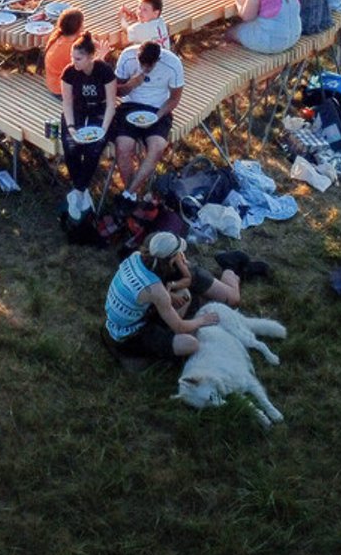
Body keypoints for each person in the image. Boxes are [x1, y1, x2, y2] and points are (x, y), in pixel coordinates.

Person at [104, 231, 239, 364]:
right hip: (131, 333)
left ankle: (168, 333)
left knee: (184, 295)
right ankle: (158, 346)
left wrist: (169, 294)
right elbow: (179, 327)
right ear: (172, 259)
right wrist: (202, 320)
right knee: (191, 344)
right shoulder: (155, 289)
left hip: (120, 317)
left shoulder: (136, 256)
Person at [111, 38, 185, 198]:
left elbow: (174, 98)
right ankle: (132, 195)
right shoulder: (127, 56)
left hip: (158, 108)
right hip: (129, 105)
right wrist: (131, 85)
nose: (144, 69)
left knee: (157, 146)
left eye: (149, 66)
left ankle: (129, 193)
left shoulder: (172, 63)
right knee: (123, 147)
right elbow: (116, 91)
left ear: (158, 59)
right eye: (141, 64)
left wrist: (156, 117)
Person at [59, 32, 118, 216]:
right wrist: (70, 127)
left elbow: (111, 104)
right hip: (76, 111)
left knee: (94, 149)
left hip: (99, 111)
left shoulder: (104, 71)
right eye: (72, 57)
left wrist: (103, 129)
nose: (73, 62)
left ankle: (77, 191)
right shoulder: (69, 72)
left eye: (78, 58)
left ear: (91, 57)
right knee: (71, 147)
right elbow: (67, 103)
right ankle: (82, 192)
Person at [41, 8, 84, 98]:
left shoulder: (59, 35)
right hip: (61, 90)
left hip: (53, 83)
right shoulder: (71, 49)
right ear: (79, 27)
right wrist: (102, 55)